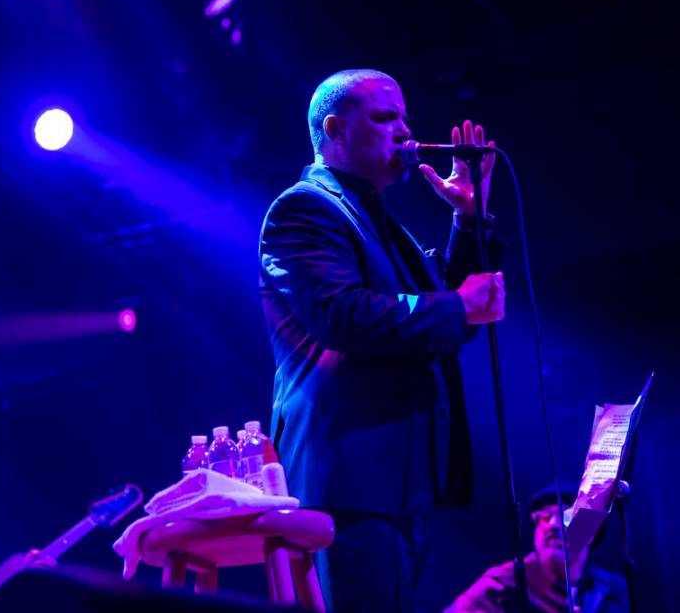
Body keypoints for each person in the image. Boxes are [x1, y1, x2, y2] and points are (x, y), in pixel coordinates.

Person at [259, 68, 505, 613]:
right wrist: (457, 305)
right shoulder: (305, 209)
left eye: (405, 118)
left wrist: (470, 217)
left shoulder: (374, 220)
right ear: (336, 129)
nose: (405, 131)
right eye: (385, 117)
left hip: (402, 482)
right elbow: (342, 316)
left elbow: (443, 308)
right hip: (351, 481)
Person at [445, 484, 630, 612]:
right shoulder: (505, 583)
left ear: (591, 532)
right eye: (543, 517)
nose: (553, 524)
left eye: (567, 517)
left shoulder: (616, 591)